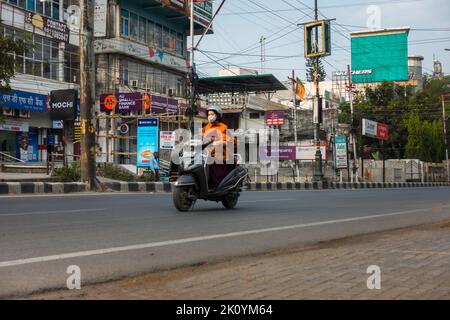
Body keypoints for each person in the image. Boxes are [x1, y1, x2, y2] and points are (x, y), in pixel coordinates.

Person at [201, 104, 236, 190]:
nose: (210, 116)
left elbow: (231, 140)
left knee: (214, 167)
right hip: (207, 153)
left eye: (212, 114)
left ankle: (216, 186)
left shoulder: (224, 127)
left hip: (221, 155)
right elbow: (200, 137)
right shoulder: (206, 127)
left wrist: (222, 142)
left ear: (218, 115)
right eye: (209, 114)